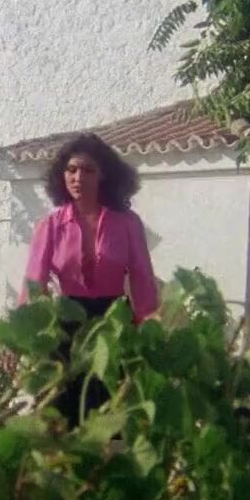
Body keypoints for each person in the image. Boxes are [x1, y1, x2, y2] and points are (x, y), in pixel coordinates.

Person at [19, 133, 160, 428]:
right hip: (67, 325)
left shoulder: (127, 223)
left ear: (103, 175)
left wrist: (149, 329)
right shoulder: (50, 225)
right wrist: (24, 336)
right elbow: (34, 284)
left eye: (88, 170)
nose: (78, 177)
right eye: (71, 170)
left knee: (111, 412)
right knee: (63, 415)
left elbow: (143, 280)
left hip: (114, 323)